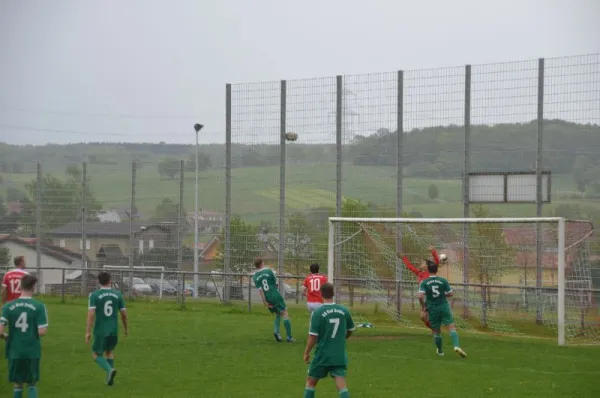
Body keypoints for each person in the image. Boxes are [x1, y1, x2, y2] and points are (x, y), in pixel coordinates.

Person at [0, 274, 48, 398]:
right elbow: (42, 331)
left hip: (14, 350)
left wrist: (6, 336)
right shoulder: (39, 306)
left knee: (18, 383)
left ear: (20, 286)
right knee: (32, 383)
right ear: (33, 287)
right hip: (32, 350)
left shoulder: (7, 306)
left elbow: (0, 331)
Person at [303, 282, 354, 398]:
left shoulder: (318, 313)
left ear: (321, 294)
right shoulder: (344, 310)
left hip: (322, 354)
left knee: (310, 382)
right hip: (339, 354)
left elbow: (313, 336)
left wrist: (306, 352)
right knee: (341, 384)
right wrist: (342, 338)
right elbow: (350, 329)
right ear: (333, 294)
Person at [85, 272, 128, 386]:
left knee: (96, 354)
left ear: (99, 282)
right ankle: (110, 381)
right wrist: (125, 328)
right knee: (109, 352)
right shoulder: (118, 294)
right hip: (113, 330)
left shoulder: (94, 295)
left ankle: (109, 370)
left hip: (101, 330)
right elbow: (124, 314)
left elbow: (91, 314)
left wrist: (88, 332)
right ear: (110, 281)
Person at [418, 261, 466, 358]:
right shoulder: (443, 280)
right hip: (443, 307)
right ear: (437, 270)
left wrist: (423, 307)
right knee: (451, 327)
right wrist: (442, 294)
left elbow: (420, 296)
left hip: (432, 308)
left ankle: (440, 351)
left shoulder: (425, 282)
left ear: (428, 270)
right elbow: (451, 294)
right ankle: (456, 346)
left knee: (436, 331)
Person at [398, 246, 446, 330]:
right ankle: (435, 330)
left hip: (435, 299)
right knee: (423, 317)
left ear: (427, 266)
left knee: (426, 316)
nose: (421, 264)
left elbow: (437, 262)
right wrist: (403, 257)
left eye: (423, 263)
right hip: (427, 299)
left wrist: (433, 251)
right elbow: (410, 266)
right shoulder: (420, 273)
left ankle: (436, 329)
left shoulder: (431, 272)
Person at [251, 258, 295, 342]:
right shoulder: (268, 271)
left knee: (278, 313)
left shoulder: (255, 276)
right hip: (275, 294)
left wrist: (264, 301)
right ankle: (289, 337)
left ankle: (276, 332)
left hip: (267, 297)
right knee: (285, 313)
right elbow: (275, 282)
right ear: (262, 263)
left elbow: (260, 290)